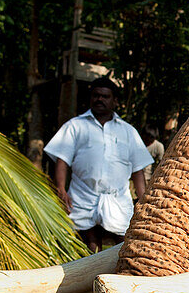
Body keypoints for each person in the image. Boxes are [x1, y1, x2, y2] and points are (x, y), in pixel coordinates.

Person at [45, 77, 154, 253]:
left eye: (105, 96)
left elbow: (138, 170)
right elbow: (62, 160)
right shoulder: (75, 126)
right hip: (82, 197)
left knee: (123, 247)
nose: (100, 100)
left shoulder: (128, 131)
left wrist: (142, 199)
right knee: (87, 247)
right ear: (90, 99)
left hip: (117, 199)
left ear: (115, 101)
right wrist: (60, 188)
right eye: (96, 95)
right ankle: (84, 279)